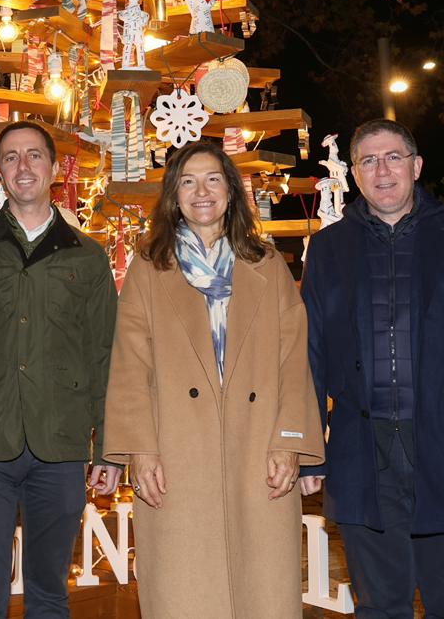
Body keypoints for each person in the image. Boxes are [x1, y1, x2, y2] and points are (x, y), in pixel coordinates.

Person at [299, 118, 444, 619]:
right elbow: (309, 357)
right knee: (380, 608)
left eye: (394, 157)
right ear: (355, 175)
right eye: (368, 161)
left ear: (417, 166)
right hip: (363, 458)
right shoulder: (328, 250)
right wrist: (309, 454)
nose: (382, 171)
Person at [102, 140, 323, 618]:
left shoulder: (267, 265)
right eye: (188, 181)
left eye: (213, 180)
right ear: (173, 195)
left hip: (259, 453)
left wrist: (290, 443)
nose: (201, 192)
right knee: (185, 593)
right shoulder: (149, 267)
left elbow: (293, 362)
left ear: (231, 192)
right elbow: (130, 365)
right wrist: (140, 450)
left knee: (263, 592)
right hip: (175, 458)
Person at [0, 120, 120, 619]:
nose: (23, 165)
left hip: (61, 448)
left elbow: (105, 357)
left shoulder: (88, 258)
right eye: (11, 157)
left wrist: (109, 447)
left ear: (54, 168)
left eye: (34, 155)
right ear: (0, 172)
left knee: (50, 592)